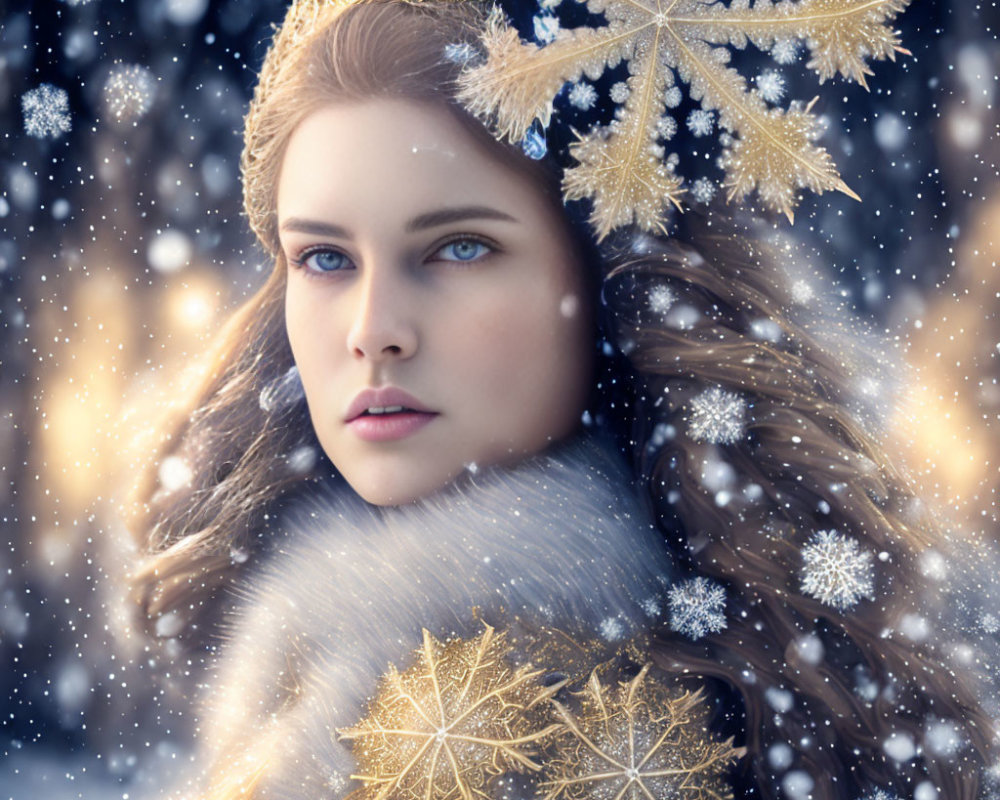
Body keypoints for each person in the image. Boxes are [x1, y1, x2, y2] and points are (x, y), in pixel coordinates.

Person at [123, 1, 998, 798]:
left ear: (603, 269)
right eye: (324, 258)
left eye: (459, 248)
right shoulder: (325, 660)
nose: (374, 329)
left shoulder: (583, 737)